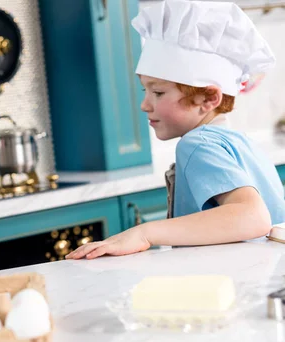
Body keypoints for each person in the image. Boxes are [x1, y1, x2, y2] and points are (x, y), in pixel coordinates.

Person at [67, 0, 285, 261]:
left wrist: (144, 233)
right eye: (144, 90)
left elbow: (252, 217)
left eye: (158, 92)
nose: (144, 104)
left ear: (208, 98)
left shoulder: (198, 144)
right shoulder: (243, 143)